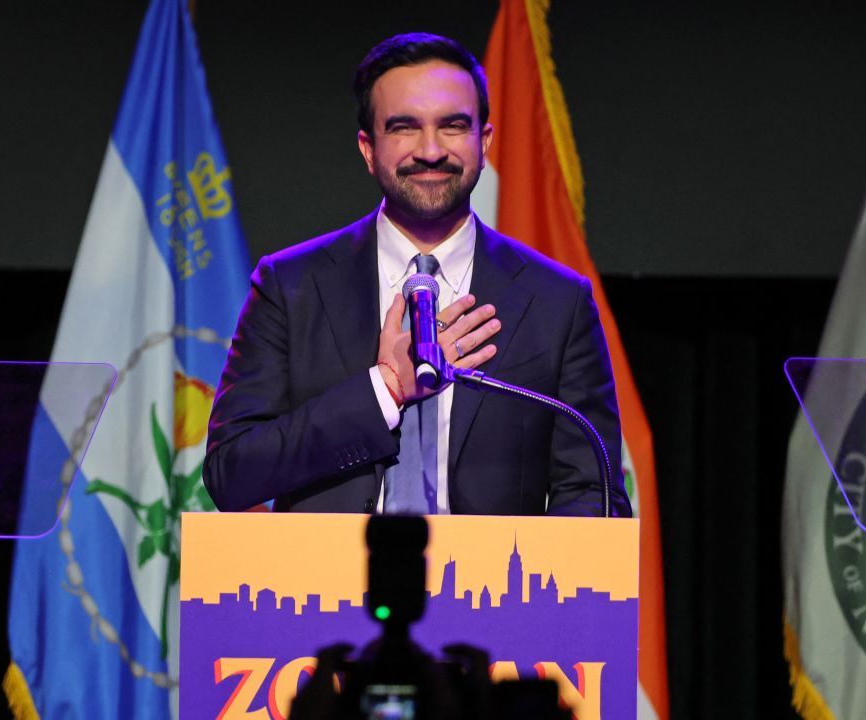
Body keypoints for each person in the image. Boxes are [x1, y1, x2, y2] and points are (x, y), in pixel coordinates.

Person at [203, 32, 630, 517]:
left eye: (452, 126)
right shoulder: (290, 286)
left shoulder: (557, 301)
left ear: (483, 142)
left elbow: (592, 494)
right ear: (368, 148)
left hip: (492, 591)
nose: (430, 150)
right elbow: (230, 474)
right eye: (404, 128)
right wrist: (384, 390)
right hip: (326, 589)